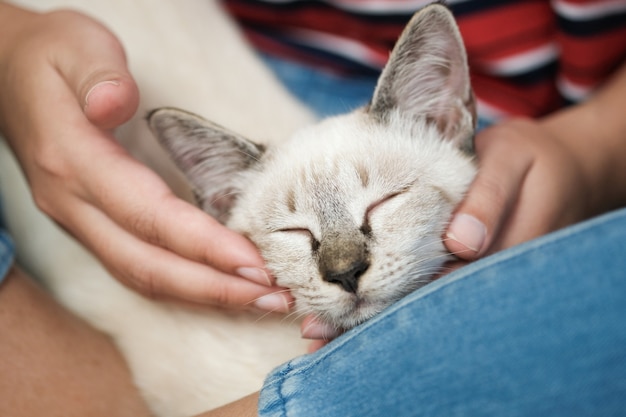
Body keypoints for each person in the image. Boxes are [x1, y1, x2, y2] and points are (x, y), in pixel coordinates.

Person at [0, 1, 625, 416]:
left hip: (559, 131)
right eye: (296, 233)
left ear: (442, 120)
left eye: (382, 206)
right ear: (222, 202)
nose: (342, 264)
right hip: (269, 48)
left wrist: (590, 149)